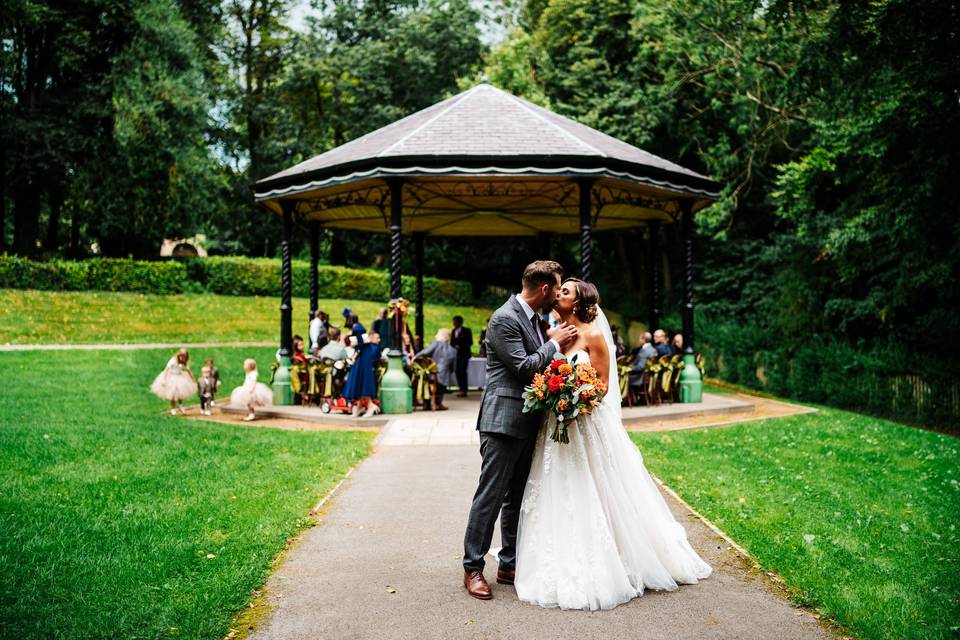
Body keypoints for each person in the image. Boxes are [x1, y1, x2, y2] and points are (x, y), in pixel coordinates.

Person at [514, 277, 711, 610]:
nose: (558, 294)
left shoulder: (594, 336)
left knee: (596, 487)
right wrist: (553, 395)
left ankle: (617, 556)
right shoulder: (552, 336)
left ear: (577, 303)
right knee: (556, 488)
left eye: (565, 291)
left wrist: (577, 401)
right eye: (558, 290)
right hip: (555, 427)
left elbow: (603, 385)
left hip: (584, 425)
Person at [462, 260, 579, 600]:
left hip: (529, 423)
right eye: (556, 289)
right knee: (491, 496)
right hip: (501, 422)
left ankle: (508, 563)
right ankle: (472, 568)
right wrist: (555, 343)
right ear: (544, 289)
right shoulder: (504, 319)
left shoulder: (535, 320)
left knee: (517, 497)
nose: (557, 295)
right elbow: (525, 367)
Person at [342, 328, 383, 418]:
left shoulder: (373, 348)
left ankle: (370, 406)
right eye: (377, 338)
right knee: (361, 386)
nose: (379, 340)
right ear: (370, 338)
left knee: (361, 385)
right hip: (367, 370)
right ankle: (360, 407)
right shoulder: (371, 347)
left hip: (368, 371)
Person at [416, 328, 457, 410]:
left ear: (443, 337)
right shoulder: (453, 350)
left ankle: (427, 404)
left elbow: (425, 352)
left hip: (433, 372)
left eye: (437, 334)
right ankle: (438, 403)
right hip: (444, 375)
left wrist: (415, 357)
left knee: (427, 385)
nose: (435, 336)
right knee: (441, 389)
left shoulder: (436, 344)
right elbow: (453, 367)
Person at [150, 348, 196, 415]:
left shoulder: (184, 362)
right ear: (178, 355)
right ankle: (173, 408)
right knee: (173, 395)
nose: (182, 358)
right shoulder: (173, 361)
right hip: (171, 376)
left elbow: (189, 371)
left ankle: (181, 406)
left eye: (184, 357)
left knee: (181, 393)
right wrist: (164, 379)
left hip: (179, 376)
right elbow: (166, 369)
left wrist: (193, 379)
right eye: (181, 356)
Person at [451, 315, 473, 397]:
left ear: (459, 322)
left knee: (463, 371)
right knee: (457, 371)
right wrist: (454, 346)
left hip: (464, 354)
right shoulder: (453, 331)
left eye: (455, 321)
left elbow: (470, 342)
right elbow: (452, 343)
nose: (454, 323)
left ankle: (464, 389)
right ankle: (460, 388)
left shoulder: (467, 331)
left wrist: (461, 346)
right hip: (456, 355)